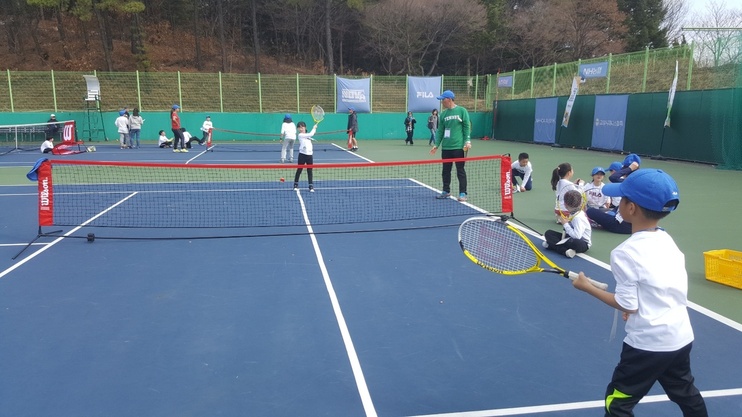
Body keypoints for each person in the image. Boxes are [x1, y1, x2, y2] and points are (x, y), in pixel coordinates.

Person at [573, 169, 708, 417]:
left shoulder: (624, 253)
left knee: (618, 403)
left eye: (622, 199)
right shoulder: (667, 240)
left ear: (631, 208)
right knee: (685, 393)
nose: (618, 203)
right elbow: (662, 286)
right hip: (679, 337)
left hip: (646, 347)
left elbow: (628, 305)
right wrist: (634, 307)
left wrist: (587, 287)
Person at [430, 90, 472, 202]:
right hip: (446, 148)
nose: (442, 102)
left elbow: (467, 127)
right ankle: (446, 191)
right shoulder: (443, 114)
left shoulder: (462, 111)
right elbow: (440, 131)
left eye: (443, 99)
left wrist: (467, 141)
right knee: (445, 170)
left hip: (458, 147)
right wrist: (436, 145)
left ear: (449, 99)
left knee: (460, 170)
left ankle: (463, 193)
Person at [586, 161, 633, 234]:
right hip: (627, 223)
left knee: (590, 211)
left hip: (620, 224)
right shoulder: (588, 186)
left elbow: (613, 178)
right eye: (597, 174)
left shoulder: (622, 183)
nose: (599, 176)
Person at [541, 189, 591, 258]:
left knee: (575, 242)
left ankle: (557, 248)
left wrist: (565, 224)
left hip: (582, 243)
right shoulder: (573, 213)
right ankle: (562, 249)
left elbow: (577, 236)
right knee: (549, 233)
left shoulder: (578, 217)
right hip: (569, 238)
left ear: (565, 204)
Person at [293, 121, 317, 192]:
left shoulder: (307, 135)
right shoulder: (300, 135)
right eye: (299, 127)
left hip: (310, 155)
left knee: (310, 171)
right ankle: (295, 184)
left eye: (302, 127)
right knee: (299, 170)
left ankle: (311, 186)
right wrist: (314, 128)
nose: (301, 129)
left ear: (305, 127)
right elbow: (312, 133)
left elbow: (310, 135)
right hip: (302, 155)